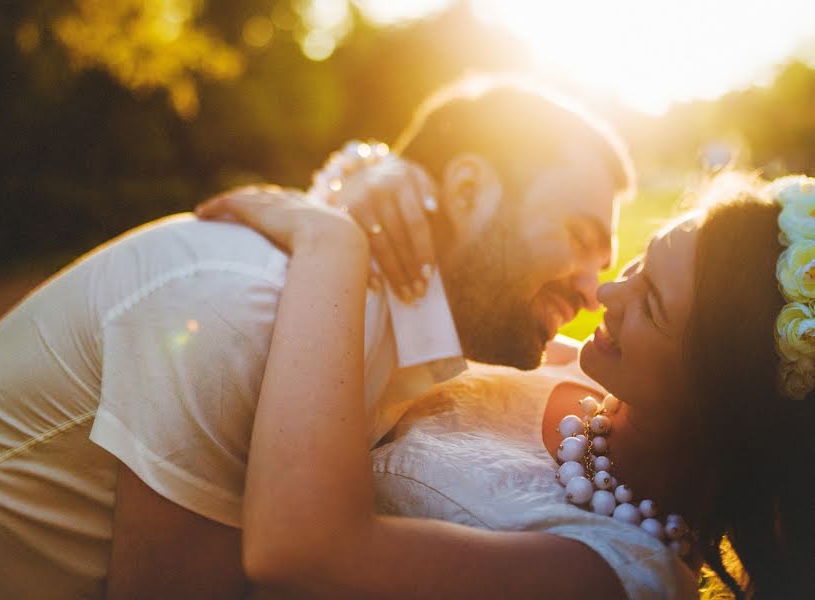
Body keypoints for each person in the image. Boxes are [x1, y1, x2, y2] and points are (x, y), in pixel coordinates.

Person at [0, 78, 632, 599]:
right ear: (469, 191)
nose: (590, 288)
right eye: (578, 237)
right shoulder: (244, 310)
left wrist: (365, 169)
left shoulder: (389, 329)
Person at [204, 174, 815, 599]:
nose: (606, 294)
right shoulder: (554, 360)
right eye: (639, 265)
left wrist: (330, 241)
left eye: (650, 303)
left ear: (718, 398)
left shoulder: (614, 577)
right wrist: (387, 187)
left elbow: (301, 553)